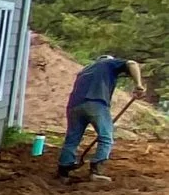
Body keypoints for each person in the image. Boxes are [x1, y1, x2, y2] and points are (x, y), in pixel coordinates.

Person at [59, 53, 145, 183]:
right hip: (95, 102)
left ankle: (63, 173)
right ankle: (96, 171)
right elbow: (132, 63)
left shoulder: (85, 70)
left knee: (71, 139)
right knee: (106, 137)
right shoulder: (109, 63)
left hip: (74, 106)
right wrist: (138, 85)